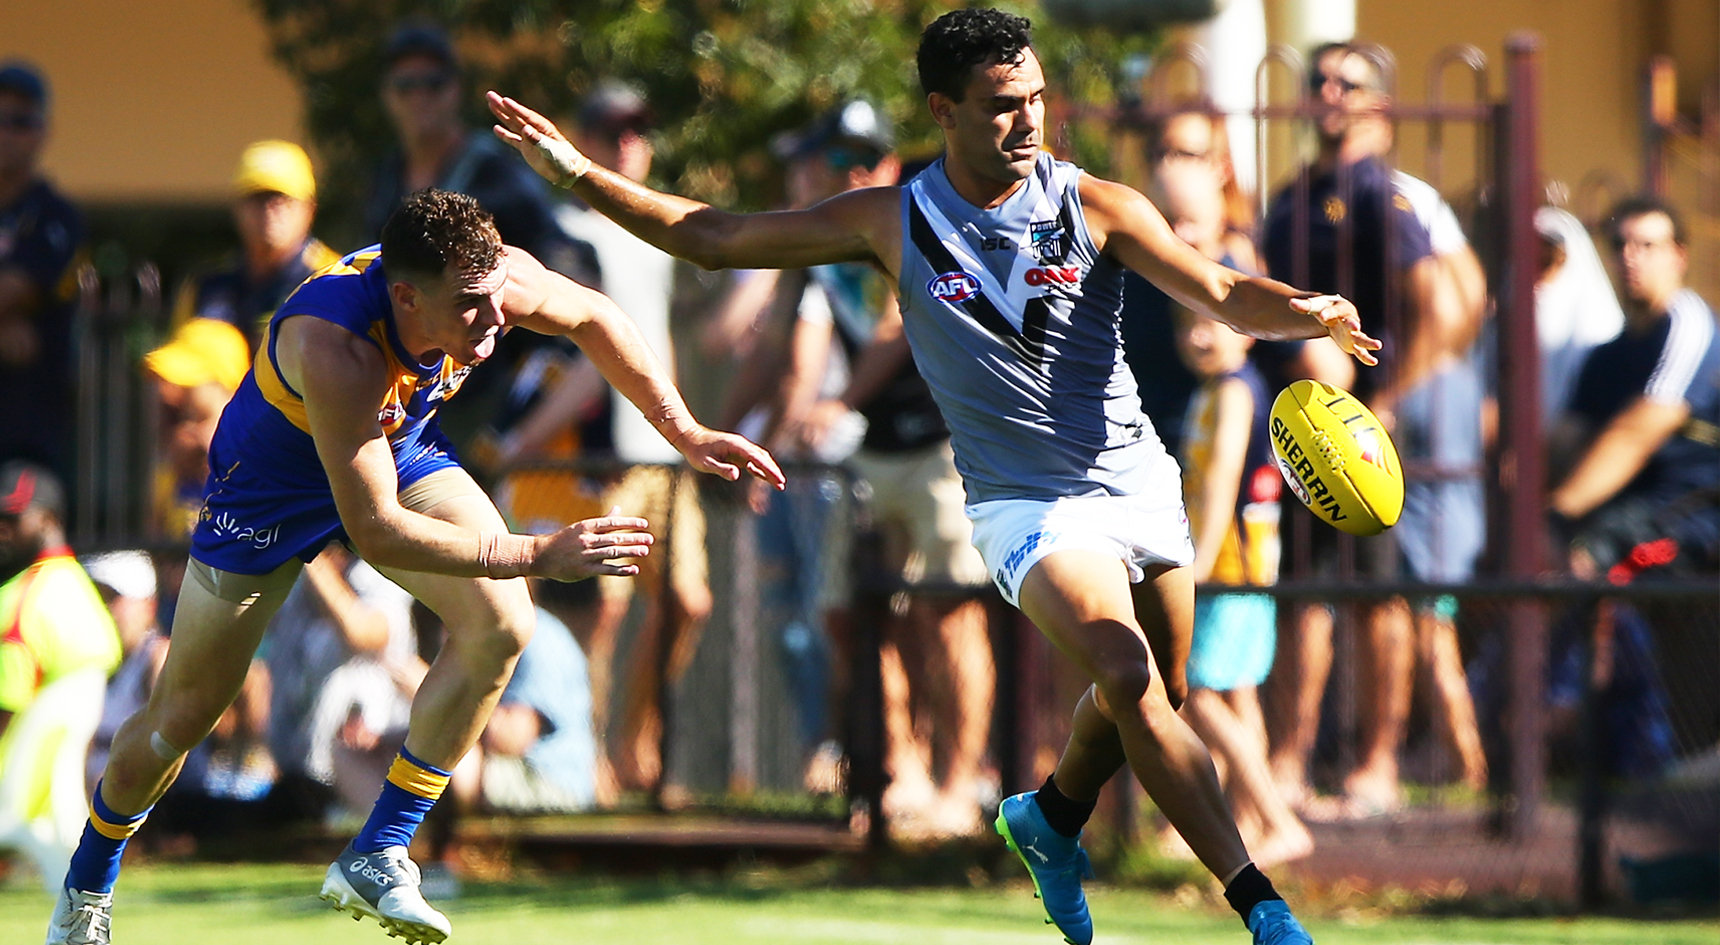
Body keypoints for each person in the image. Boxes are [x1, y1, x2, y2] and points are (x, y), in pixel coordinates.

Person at [489, 9, 1378, 943]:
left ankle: (1051, 818)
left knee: (1163, 689)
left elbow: (1223, 291)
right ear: (942, 111)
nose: (1028, 121)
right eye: (1002, 106)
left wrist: (1307, 310)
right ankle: (1263, 907)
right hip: (1025, 505)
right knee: (1126, 671)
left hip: (1135, 478)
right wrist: (583, 176)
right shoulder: (892, 219)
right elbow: (715, 235)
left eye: (1036, 100)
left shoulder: (1097, 204)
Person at [46, 189, 781, 945]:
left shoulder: (491, 281)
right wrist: (537, 553)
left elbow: (597, 317)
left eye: (497, 299)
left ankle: (378, 847)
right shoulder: (338, 345)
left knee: (502, 622)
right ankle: (85, 891)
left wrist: (684, 429)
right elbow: (381, 533)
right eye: (469, 307)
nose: (495, 324)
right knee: (181, 717)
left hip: (389, 451)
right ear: (405, 295)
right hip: (270, 488)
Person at [1260, 42, 1488, 813]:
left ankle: (1378, 765)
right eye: (1319, 80)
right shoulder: (1291, 198)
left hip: (1370, 441)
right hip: (1303, 437)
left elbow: (1445, 310)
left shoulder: (1381, 195)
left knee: (1380, 598)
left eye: (1347, 83)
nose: (1329, 92)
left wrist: (1381, 406)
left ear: (1380, 109)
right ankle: (1288, 761)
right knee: (1302, 595)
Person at [763, 101, 995, 835]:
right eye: (826, 163)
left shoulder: (923, 220)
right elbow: (796, 346)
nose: (835, 176)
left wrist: (836, 403)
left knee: (948, 615)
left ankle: (962, 783)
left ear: (880, 165)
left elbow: (897, 329)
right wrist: (771, 434)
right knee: (858, 619)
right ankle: (903, 773)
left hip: (939, 447)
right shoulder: (825, 247)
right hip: (866, 456)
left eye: (845, 162)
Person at [1170, 307, 1311, 869]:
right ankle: (1251, 820)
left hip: (1231, 567)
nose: (1198, 336)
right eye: (1187, 326)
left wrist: (1198, 562)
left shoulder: (1234, 391)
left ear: (1247, 335)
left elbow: (1225, 473)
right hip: (1236, 566)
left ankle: (1279, 821)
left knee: (1196, 692)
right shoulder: (1214, 389)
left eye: (1212, 324)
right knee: (1237, 694)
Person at [1551, 197, 1719, 576]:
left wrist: (1557, 513)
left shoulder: (1689, 327)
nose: (1631, 257)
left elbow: (1638, 431)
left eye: (1647, 246)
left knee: (1578, 562)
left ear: (1679, 256)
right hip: (1622, 511)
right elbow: (1567, 438)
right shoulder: (1606, 355)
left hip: (1689, 518)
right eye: (1620, 245)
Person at [0, 464, 121, 891]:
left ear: (48, 520)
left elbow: (9, 697)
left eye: (13, 518)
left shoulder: (24, 594)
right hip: (60, 745)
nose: (3, 530)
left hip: (25, 748)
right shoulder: (74, 582)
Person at [1120, 106, 1261, 459]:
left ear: (1221, 167)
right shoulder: (1130, 271)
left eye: (1185, 153)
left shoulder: (1237, 262)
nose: (1169, 165)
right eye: (1160, 153)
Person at [0, 63, 84, 493]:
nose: (6, 132)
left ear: (42, 132)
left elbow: (17, 287)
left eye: (20, 121)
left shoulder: (57, 216)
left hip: (28, 439)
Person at [171, 140, 341, 350]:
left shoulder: (333, 279)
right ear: (237, 208)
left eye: (282, 199)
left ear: (309, 208)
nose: (269, 211)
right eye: (257, 198)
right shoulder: (207, 284)